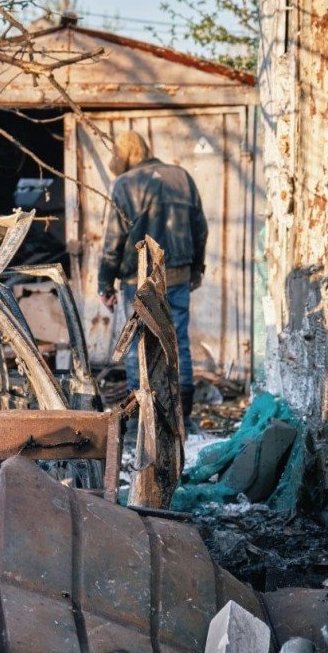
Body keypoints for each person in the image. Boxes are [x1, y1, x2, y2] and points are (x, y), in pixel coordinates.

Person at [97, 130, 208, 430]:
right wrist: (196, 269)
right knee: (177, 340)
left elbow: (113, 240)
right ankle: (182, 416)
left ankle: (143, 418)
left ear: (124, 156)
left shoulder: (124, 184)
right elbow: (200, 228)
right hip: (178, 274)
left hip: (139, 277)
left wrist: (105, 283)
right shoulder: (181, 176)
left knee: (138, 345)